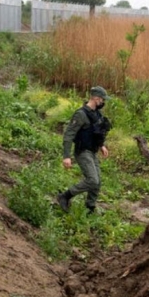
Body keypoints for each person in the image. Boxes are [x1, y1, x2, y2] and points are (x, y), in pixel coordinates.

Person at [56, 86, 113, 214]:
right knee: (93, 180)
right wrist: (66, 156)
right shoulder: (81, 114)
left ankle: (90, 207)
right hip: (83, 152)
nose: (104, 103)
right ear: (96, 98)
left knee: (97, 182)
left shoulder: (97, 114)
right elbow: (68, 135)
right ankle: (65, 196)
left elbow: (97, 132)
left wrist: (102, 145)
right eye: (103, 100)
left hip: (92, 151)